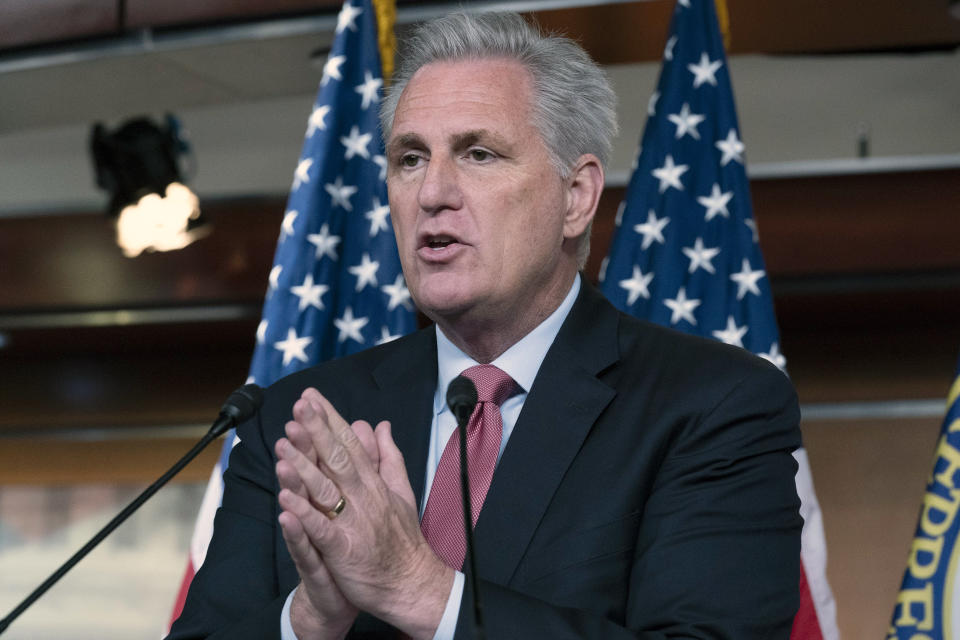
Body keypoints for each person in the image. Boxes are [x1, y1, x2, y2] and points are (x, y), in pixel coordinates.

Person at [168, 11, 802, 640]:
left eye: (479, 153)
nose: (432, 192)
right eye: (409, 159)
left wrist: (419, 589)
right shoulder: (297, 416)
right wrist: (308, 621)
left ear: (576, 197)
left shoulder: (713, 405)